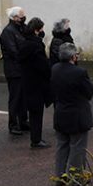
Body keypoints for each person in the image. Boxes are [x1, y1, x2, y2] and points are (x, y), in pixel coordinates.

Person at [50, 43, 93, 186]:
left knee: (62, 146)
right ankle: (76, 178)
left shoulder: (55, 69)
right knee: (77, 147)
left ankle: (60, 176)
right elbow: (89, 92)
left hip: (61, 112)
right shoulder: (79, 72)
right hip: (77, 114)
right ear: (73, 56)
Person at [20, 16, 53, 148]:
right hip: (37, 84)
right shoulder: (35, 45)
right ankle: (36, 139)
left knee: (33, 112)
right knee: (36, 113)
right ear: (36, 30)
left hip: (28, 82)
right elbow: (43, 65)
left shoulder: (25, 43)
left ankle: (36, 138)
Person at [0, 6, 29, 135]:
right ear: (14, 18)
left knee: (23, 97)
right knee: (15, 97)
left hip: (22, 69)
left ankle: (23, 121)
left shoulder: (21, 29)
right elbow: (13, 51)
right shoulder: (8, 32)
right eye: (20, 16)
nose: (23, 18)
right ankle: (13, 124)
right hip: (14, 70)